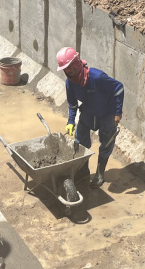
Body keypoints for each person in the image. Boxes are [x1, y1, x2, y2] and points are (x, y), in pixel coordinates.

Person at [59, 47, 124, 187]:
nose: (68, 73)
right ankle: (83, 172)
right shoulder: (70, 83)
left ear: (77, 64)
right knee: (80, 139)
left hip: (107, 113)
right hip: (88, 111)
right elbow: (72, 104)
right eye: (65, 70)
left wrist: (118, 112)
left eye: (70, 69)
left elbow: (119, 88)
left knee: (106, 142)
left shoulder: (97, 77)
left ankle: (100, 173)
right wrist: (70, 121)